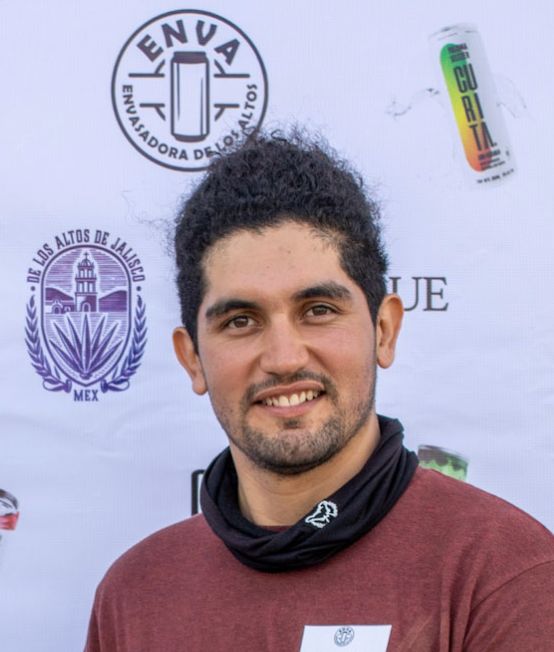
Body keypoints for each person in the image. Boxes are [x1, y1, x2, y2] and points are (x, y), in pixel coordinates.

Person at [85, 131, 554, 652]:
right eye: (241, 320)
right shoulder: (134, 594)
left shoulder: (504, 572)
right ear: (192, 357)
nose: (284, 358)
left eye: (319, 311)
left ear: (384, 331)